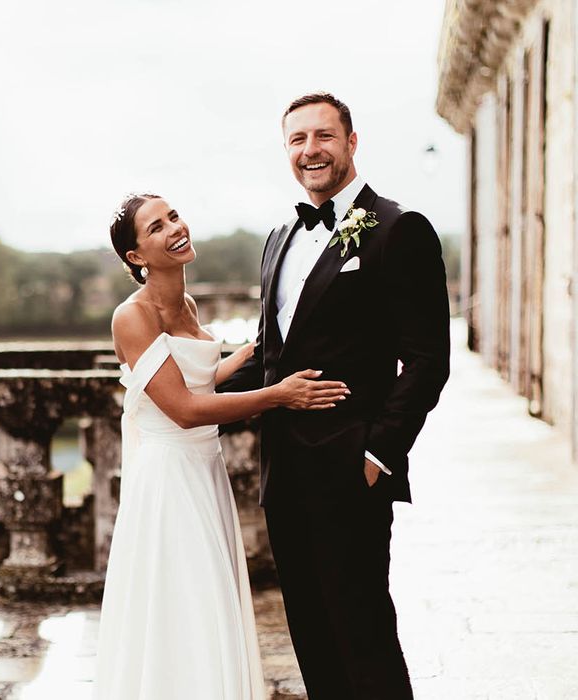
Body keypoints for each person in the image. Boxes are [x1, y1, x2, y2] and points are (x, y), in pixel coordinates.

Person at [218, 92, 451, 699]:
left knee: (363, 628)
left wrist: (379, 453)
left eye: (323, 136)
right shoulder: (278, 237)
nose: (310, 150)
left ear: (351, 143)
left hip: (351, 469)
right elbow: (272, 355)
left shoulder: (400, 230)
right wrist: (186, 394)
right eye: (296, 140)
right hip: (284, 470)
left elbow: (428, 359)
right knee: (312, 633)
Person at [92, 192, 351, 700]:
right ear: (136, 256)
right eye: (156, 228)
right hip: (169, 478)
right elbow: (184, 408)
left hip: (204, 468)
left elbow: (202, 377)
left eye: (174, 216)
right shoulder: (133, 317)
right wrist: (278, 395)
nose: (174, 228)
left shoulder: (186, 305)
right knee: (187, 598)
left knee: (210, 597)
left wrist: (265, 348)